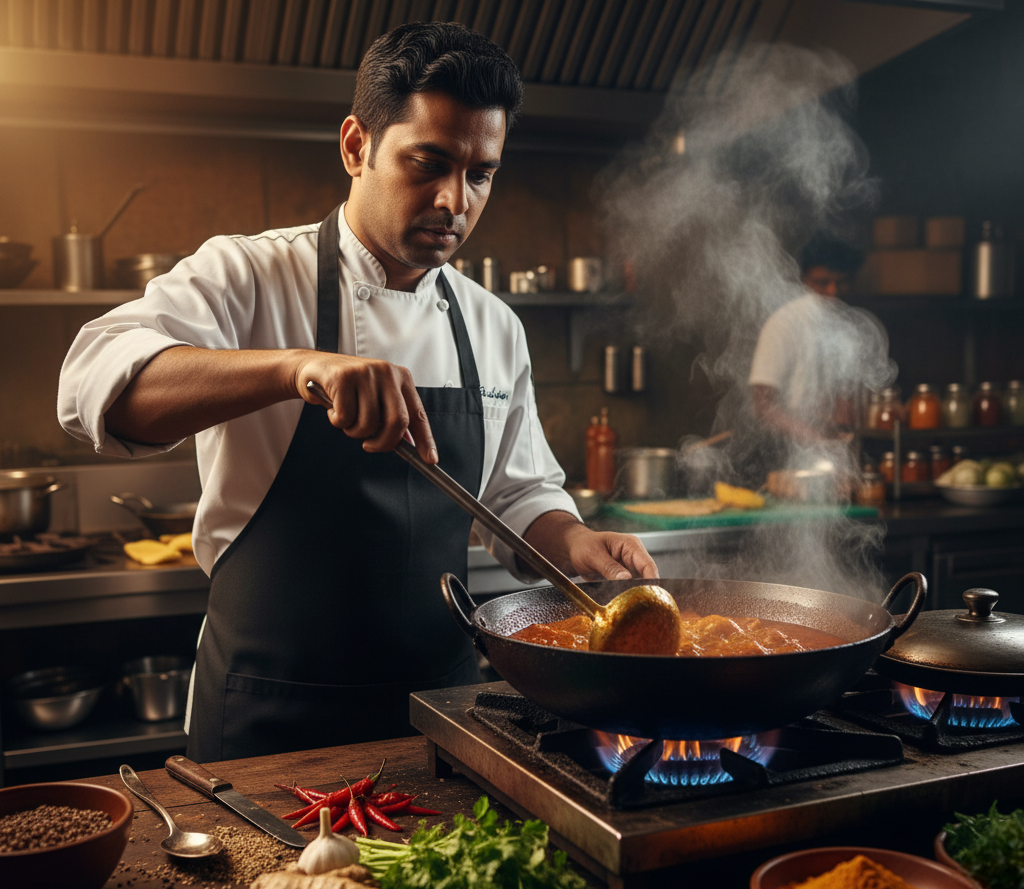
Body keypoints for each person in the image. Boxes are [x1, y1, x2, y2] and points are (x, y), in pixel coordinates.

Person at [57, 22, 657, 761]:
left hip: (440, 708)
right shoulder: (248, 276)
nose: (453, 200)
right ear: (355, 147)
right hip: (267, 712)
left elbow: (518, 496)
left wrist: (576, 543)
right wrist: (295, 368)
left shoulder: (493, 325)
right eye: (427, 163)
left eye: (480, 174)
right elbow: (97, 384)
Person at [748, 236, 866, 445]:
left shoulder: (852, 328)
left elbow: (847, 402)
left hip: (835, 445)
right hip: (785, 447)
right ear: (804, 280)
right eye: (822, 283)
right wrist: (813, 438)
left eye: (841, 283)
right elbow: (763, 405)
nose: (833, 292)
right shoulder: (783, 324)